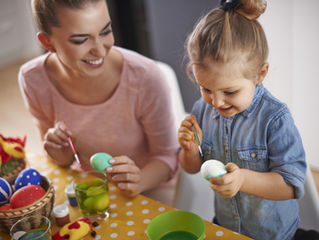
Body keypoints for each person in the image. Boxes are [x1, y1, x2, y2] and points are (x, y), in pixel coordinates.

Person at [19, 0, 179, 205]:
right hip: (89, 188)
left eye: (105, 32)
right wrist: (61, 154)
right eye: (81, 40)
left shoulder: (145, 78)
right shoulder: (33, 79)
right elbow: (59, 160)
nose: (100, 50)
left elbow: (167, 158)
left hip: (148, 188)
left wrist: (139, 180)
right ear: (47, 43)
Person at [177, 0, 311, 239]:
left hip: (274, 234)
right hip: (226, 228)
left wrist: (243, 180)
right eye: (205, 89)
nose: (216, 103)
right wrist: (188, 149)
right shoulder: (202, 109)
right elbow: (192, 167)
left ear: (260, 74)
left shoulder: (275, 119)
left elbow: (291, 186)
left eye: (229, 92)